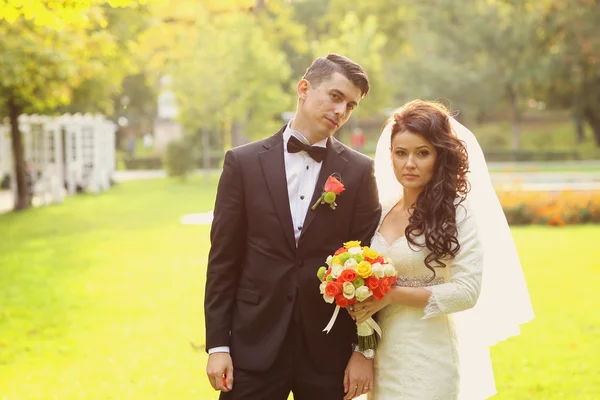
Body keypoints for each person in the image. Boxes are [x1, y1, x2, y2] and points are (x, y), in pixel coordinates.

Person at [204, 54, 382, 400]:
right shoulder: (242, 163)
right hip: (252, 345)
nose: (341, 111)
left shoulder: (359, 171)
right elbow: (223, 260)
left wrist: (363, 351)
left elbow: (369, 268)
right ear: (304, 88)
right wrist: (218, 346)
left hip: (326, 352)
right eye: (335, 96)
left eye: (351, 105)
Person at [349, 100, 533, 399]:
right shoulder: (379, 211)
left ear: (439, 156)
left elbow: (466, 291)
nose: (410, 163)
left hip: (429, 355)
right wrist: (363, 351)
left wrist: (391, 294)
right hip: (380, 355)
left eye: (422, 153)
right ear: (390, 156)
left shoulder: (457, 212)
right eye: (401, 153)